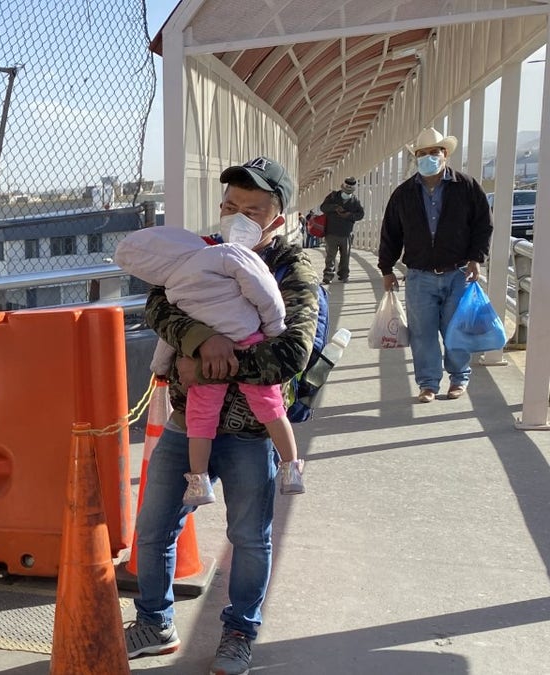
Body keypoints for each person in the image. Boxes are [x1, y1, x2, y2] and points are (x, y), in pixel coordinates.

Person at [124, 156, 319, 675]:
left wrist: (208, 364)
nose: (237, 216)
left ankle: (239, 633)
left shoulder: (293, 269)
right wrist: (199, 339)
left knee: (250, 537)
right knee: (153, 528)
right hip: (188, 426)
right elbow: (158, 307)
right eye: (230, 205)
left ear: (277, 219)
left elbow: (292, 352)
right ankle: (153, 621)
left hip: (253, 433)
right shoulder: (199, 252)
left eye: (252, 210)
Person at [114, 225, 306, 507]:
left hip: (201, 363)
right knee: (272, 408)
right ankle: (290, 467)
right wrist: (274, 325)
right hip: (250, 338)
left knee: (199, 420)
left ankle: (199, 479)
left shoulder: (172, 287)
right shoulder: (221, 255)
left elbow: (170, 335)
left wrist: (161, 366)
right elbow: (261, 287)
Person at [378, 127, 492, 403]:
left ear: (445, 155)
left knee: (456, 328)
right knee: (422, 333)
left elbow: (482, 224)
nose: (429, 157)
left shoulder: (466, 186)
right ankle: (428, 383)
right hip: (419, 275)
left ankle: (458, 377)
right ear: (416, 158)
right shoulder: (403, 194)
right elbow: (391, 231)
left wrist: (476, 258)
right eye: (423, 153)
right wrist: (386, 268)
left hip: (458, 271)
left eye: (434, 152)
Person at [318, 177, 365, 283]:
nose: (346, 193)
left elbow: (361, 214)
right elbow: (323, 208)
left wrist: (349, 215)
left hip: (346, 234)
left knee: (345, 256)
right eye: (345, 191)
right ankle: (328, 275)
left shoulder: (355, 201)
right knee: (330, 256)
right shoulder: (333, 196)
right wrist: (335, 207)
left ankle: (344, 275)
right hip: (331, 232)